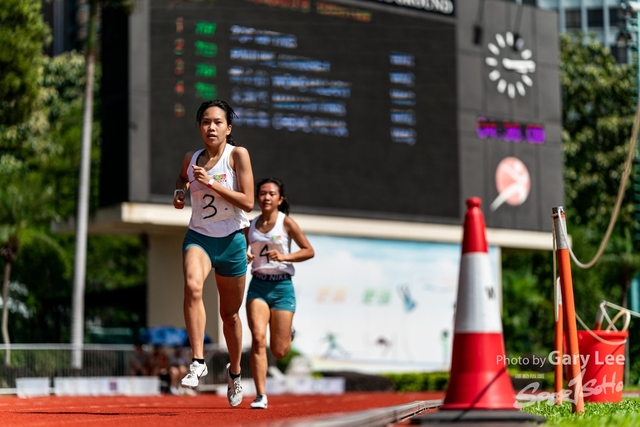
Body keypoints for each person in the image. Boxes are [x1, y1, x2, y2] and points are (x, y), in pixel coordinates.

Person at [173, 99, 254, 407]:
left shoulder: (238, 156)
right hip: (200, 237)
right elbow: (182, 177)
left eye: (218, 122)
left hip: (233, 240)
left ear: (228, 128)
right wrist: (180, 192)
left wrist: (213, 185)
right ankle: (198, 360)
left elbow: (247, 202)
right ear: (199, 127)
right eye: (206, 122)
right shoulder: (190, 159)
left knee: (230, 314)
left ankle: (234, 372)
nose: (211, 127)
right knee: (193, 286)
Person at [245, 178, 315, 409]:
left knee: (280, 350)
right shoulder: (250, 225)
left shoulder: (287, 223)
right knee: (257, 338)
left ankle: (286, 331)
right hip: (258, 285)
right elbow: (242, 250)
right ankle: (261, 395)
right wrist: (245, 256)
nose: (266, 197)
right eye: (262, 193)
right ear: (257, 197)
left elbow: (308, 251)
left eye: (271, 194)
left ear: (280, 199)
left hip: (282, 286)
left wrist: (285, 257)